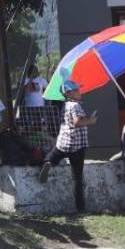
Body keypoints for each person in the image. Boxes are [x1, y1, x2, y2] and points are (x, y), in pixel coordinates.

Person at [39, 80, 96, 213]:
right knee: (77, 177)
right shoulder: (75, 105)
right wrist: (91, 120)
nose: (79, 92)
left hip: (64, 141)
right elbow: (77, 122)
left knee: (53, 155)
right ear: (69, 93)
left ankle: (48, 162)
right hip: (77, 145)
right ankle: (80, 208)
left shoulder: (65, 105)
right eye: (76, 90)